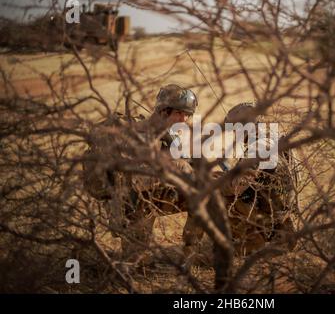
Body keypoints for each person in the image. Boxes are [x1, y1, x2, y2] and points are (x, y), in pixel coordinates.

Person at [82, 84, 198, 262]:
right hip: (131, 205)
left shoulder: (167, 137)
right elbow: (133, 178)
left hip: (156, 196)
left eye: (187, 114)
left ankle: (192, 253)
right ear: (162, 111)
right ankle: (86, 257)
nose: (184, 119)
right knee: (137, 263)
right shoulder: (131, 132)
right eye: (178, 113)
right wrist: (180, 167)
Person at [182, 102, 299, 260]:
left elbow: (237, 186)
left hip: (267, 221)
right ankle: (256, 239)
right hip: (279, 219)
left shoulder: (259, 146)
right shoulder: (275, 140)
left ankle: (191, 254)